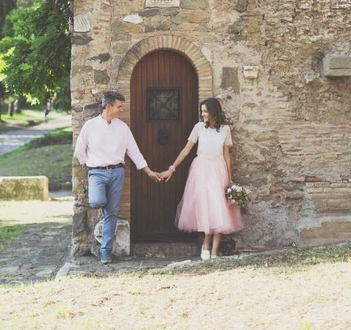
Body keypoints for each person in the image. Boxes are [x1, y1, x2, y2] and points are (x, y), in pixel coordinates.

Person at [74, 90, 162, 264]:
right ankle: (103, 207)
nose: (121, 109)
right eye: (119, 106)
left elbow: (134, 152)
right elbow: (79, 150)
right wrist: (89, 165)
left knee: (112, 214)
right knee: (97, 202)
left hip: (117, 172)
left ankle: (105, 251)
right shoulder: (90, 126)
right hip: (96, 173)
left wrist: (149, 171)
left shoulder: (122, 127)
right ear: (108, 106)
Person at [160, 97, 243, 260]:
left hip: (219, 168)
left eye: (205, 111)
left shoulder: (225, 129)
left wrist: (229, 178)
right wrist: (172, 168)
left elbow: (227, 155)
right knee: (206, 204)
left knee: (219, 206)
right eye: (202, 111)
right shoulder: (199, 127)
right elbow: (186, 150)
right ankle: (206, 243)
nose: (202, 114)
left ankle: (214, 250)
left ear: (213, 112)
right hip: (201, 168)